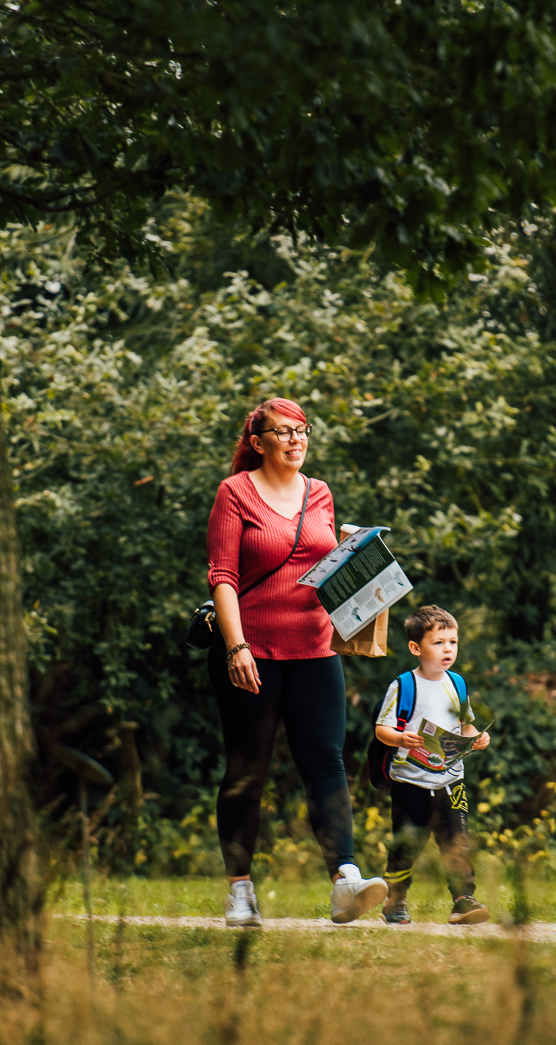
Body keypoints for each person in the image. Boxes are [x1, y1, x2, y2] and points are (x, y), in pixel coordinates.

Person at [207, 397, 389, 928]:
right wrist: (235, 647)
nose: (295, 439)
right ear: (258, 442)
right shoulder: (234, 493)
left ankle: (345, 881)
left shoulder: (321, 494)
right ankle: (240, 890)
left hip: (314, 649)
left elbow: (327, 568)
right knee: (248, 770)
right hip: (253, 653)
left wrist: (365, 576)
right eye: (282, 431)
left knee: (326, 762)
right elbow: (223, 575)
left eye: (302, 430)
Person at [372, 606, 492, 925]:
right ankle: (395, 901)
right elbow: (381, 729)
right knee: (407, 844)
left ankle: (463, 899)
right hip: (410, 782)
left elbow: (466, 726)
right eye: (438, 643)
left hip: (452, 780)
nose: (448, 649)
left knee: (458, 840)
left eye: (452, 642)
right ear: (416, 648)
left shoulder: (456, 684)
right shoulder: (403, 686)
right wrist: (401, 739)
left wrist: (478, 737)